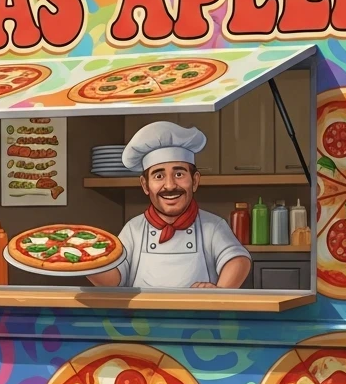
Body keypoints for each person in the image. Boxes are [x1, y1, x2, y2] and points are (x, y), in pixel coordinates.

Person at [88, 121, 251, 289]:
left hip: (198, 313)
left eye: (179, 174)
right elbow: (115, 279)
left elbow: (238, 260)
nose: (170, 185)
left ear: (195, 181)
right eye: (159, 176)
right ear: (145, 185)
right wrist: (85, 261)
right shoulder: (133, 229)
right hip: (142, 314)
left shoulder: (212, 226)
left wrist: (219, 294)